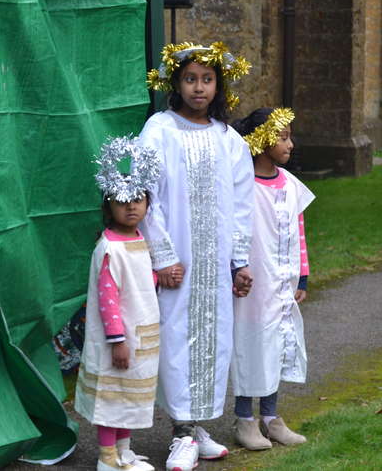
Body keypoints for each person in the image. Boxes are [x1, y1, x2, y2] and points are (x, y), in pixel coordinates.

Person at [140, 42, 254, 471]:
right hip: (179, 263)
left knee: (213, 340)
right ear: (176, 83)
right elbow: (148, 195)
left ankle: (197, 426)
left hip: (215, 264)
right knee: (176, 339)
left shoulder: (228, 139)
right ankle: (180, 432)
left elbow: (241, 205)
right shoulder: (160, 130)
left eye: (207, 79)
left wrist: (239, 261)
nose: (199, 88)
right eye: (190, 79)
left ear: (218, 85)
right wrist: (163, 255)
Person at [230, 107, 315, 450]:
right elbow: (233, 231)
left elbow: (299, 230)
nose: (290, 144)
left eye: (289, 136)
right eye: (282, 137)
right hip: (252, 285)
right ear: (262, 139)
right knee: (250, 344)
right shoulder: (243, 185)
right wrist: (236, 270)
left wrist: (302, 278)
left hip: (282, 284)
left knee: (277, 344)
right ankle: (244, 420)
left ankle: (270, 417)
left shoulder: (290, 184)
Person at [75, 138, 162, 471]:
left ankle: (124, 452)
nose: (132, 207)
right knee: (112, 399)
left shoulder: (139, 239)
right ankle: (107, 458)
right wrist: (118, 341)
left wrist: (158, 279)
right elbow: (108, 298)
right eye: (123, 202)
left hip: (140, 334)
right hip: (121, 339)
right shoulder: (110, 247)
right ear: (109, 206)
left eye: (138, 200)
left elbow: (139, 281)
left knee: (128, 398)